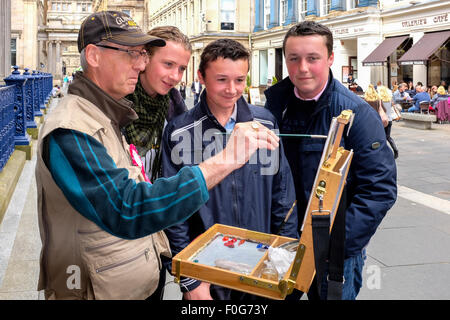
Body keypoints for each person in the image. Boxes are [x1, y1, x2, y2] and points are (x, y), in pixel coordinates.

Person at [34, 11, 279, 300]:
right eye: (131, 54)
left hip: (134, 274)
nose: (141, 63)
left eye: (142, 54)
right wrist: (226, 159)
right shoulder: (72, 129)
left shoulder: (109, 113)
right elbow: (126, 208)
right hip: (95, 288)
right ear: (94, 55)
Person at [264, 21, 397, 300]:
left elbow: (379, 189)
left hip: (333, 256)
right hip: (279, 244)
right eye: (294, 59)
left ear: (330, 58)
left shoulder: (356, 114)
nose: (302, 68)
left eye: (313, 58)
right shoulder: (273, 107)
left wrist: (335, 246)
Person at [161, 39, 298, 300]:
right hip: (205, 273)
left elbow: (283, 195)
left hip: (261, 267)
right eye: (222, 79)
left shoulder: (264, 122)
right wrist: (189, 280)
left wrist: (285, 258)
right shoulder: (180, 131)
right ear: (201, 76)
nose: (232, 89)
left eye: (239, 80)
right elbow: (173, 209)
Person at [124, 26, 191, 183]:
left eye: (182, 68)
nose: (175, 76)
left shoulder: (178, 111)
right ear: (145, 59)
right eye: (168, 64)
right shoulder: (116, 103)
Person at [378, 85, 399, 159]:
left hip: (382, 120)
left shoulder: (380, 100)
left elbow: (381, 110)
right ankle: (395, 149)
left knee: (381, 137)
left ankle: (383, 153)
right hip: (389, 120)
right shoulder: (389, 99)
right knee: (388, 137)